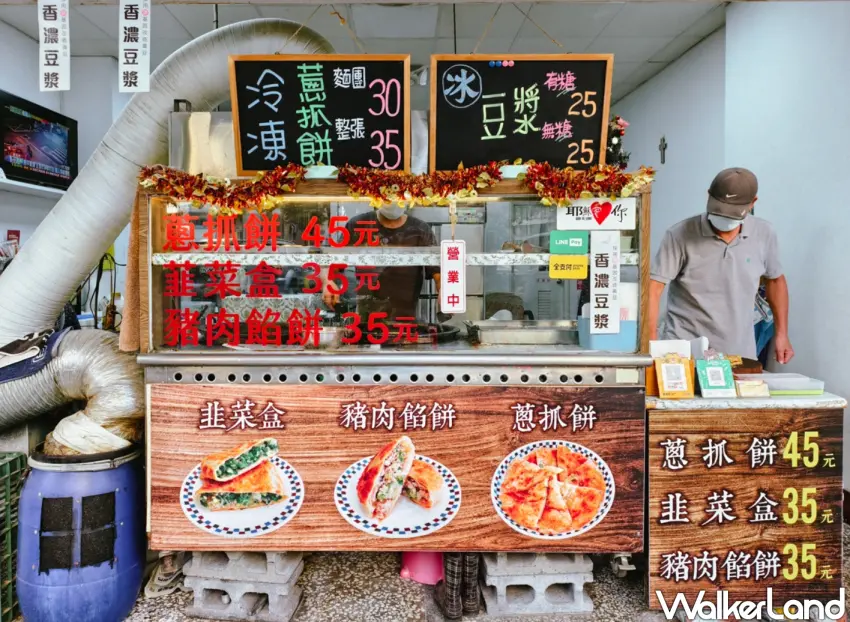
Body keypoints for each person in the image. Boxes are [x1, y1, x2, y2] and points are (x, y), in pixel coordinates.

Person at [648, 167, 794, 363]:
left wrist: (782, 334)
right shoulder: (679, 235)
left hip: (739, 353)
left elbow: (775, 281)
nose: (723, 221)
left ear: (753, 203)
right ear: (708, 196)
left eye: (731, 215)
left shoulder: (764, 233)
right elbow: (653, 289)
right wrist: (651, 346)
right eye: (719, 211)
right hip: (685, 352)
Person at [322, 205, 441, 320]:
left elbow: (438, 274)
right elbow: (330, 261)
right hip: (366, 316)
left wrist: (444, 292)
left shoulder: (420, 229)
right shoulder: (359, 225)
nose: (392, 201)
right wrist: (327, 282)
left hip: (405, 317)